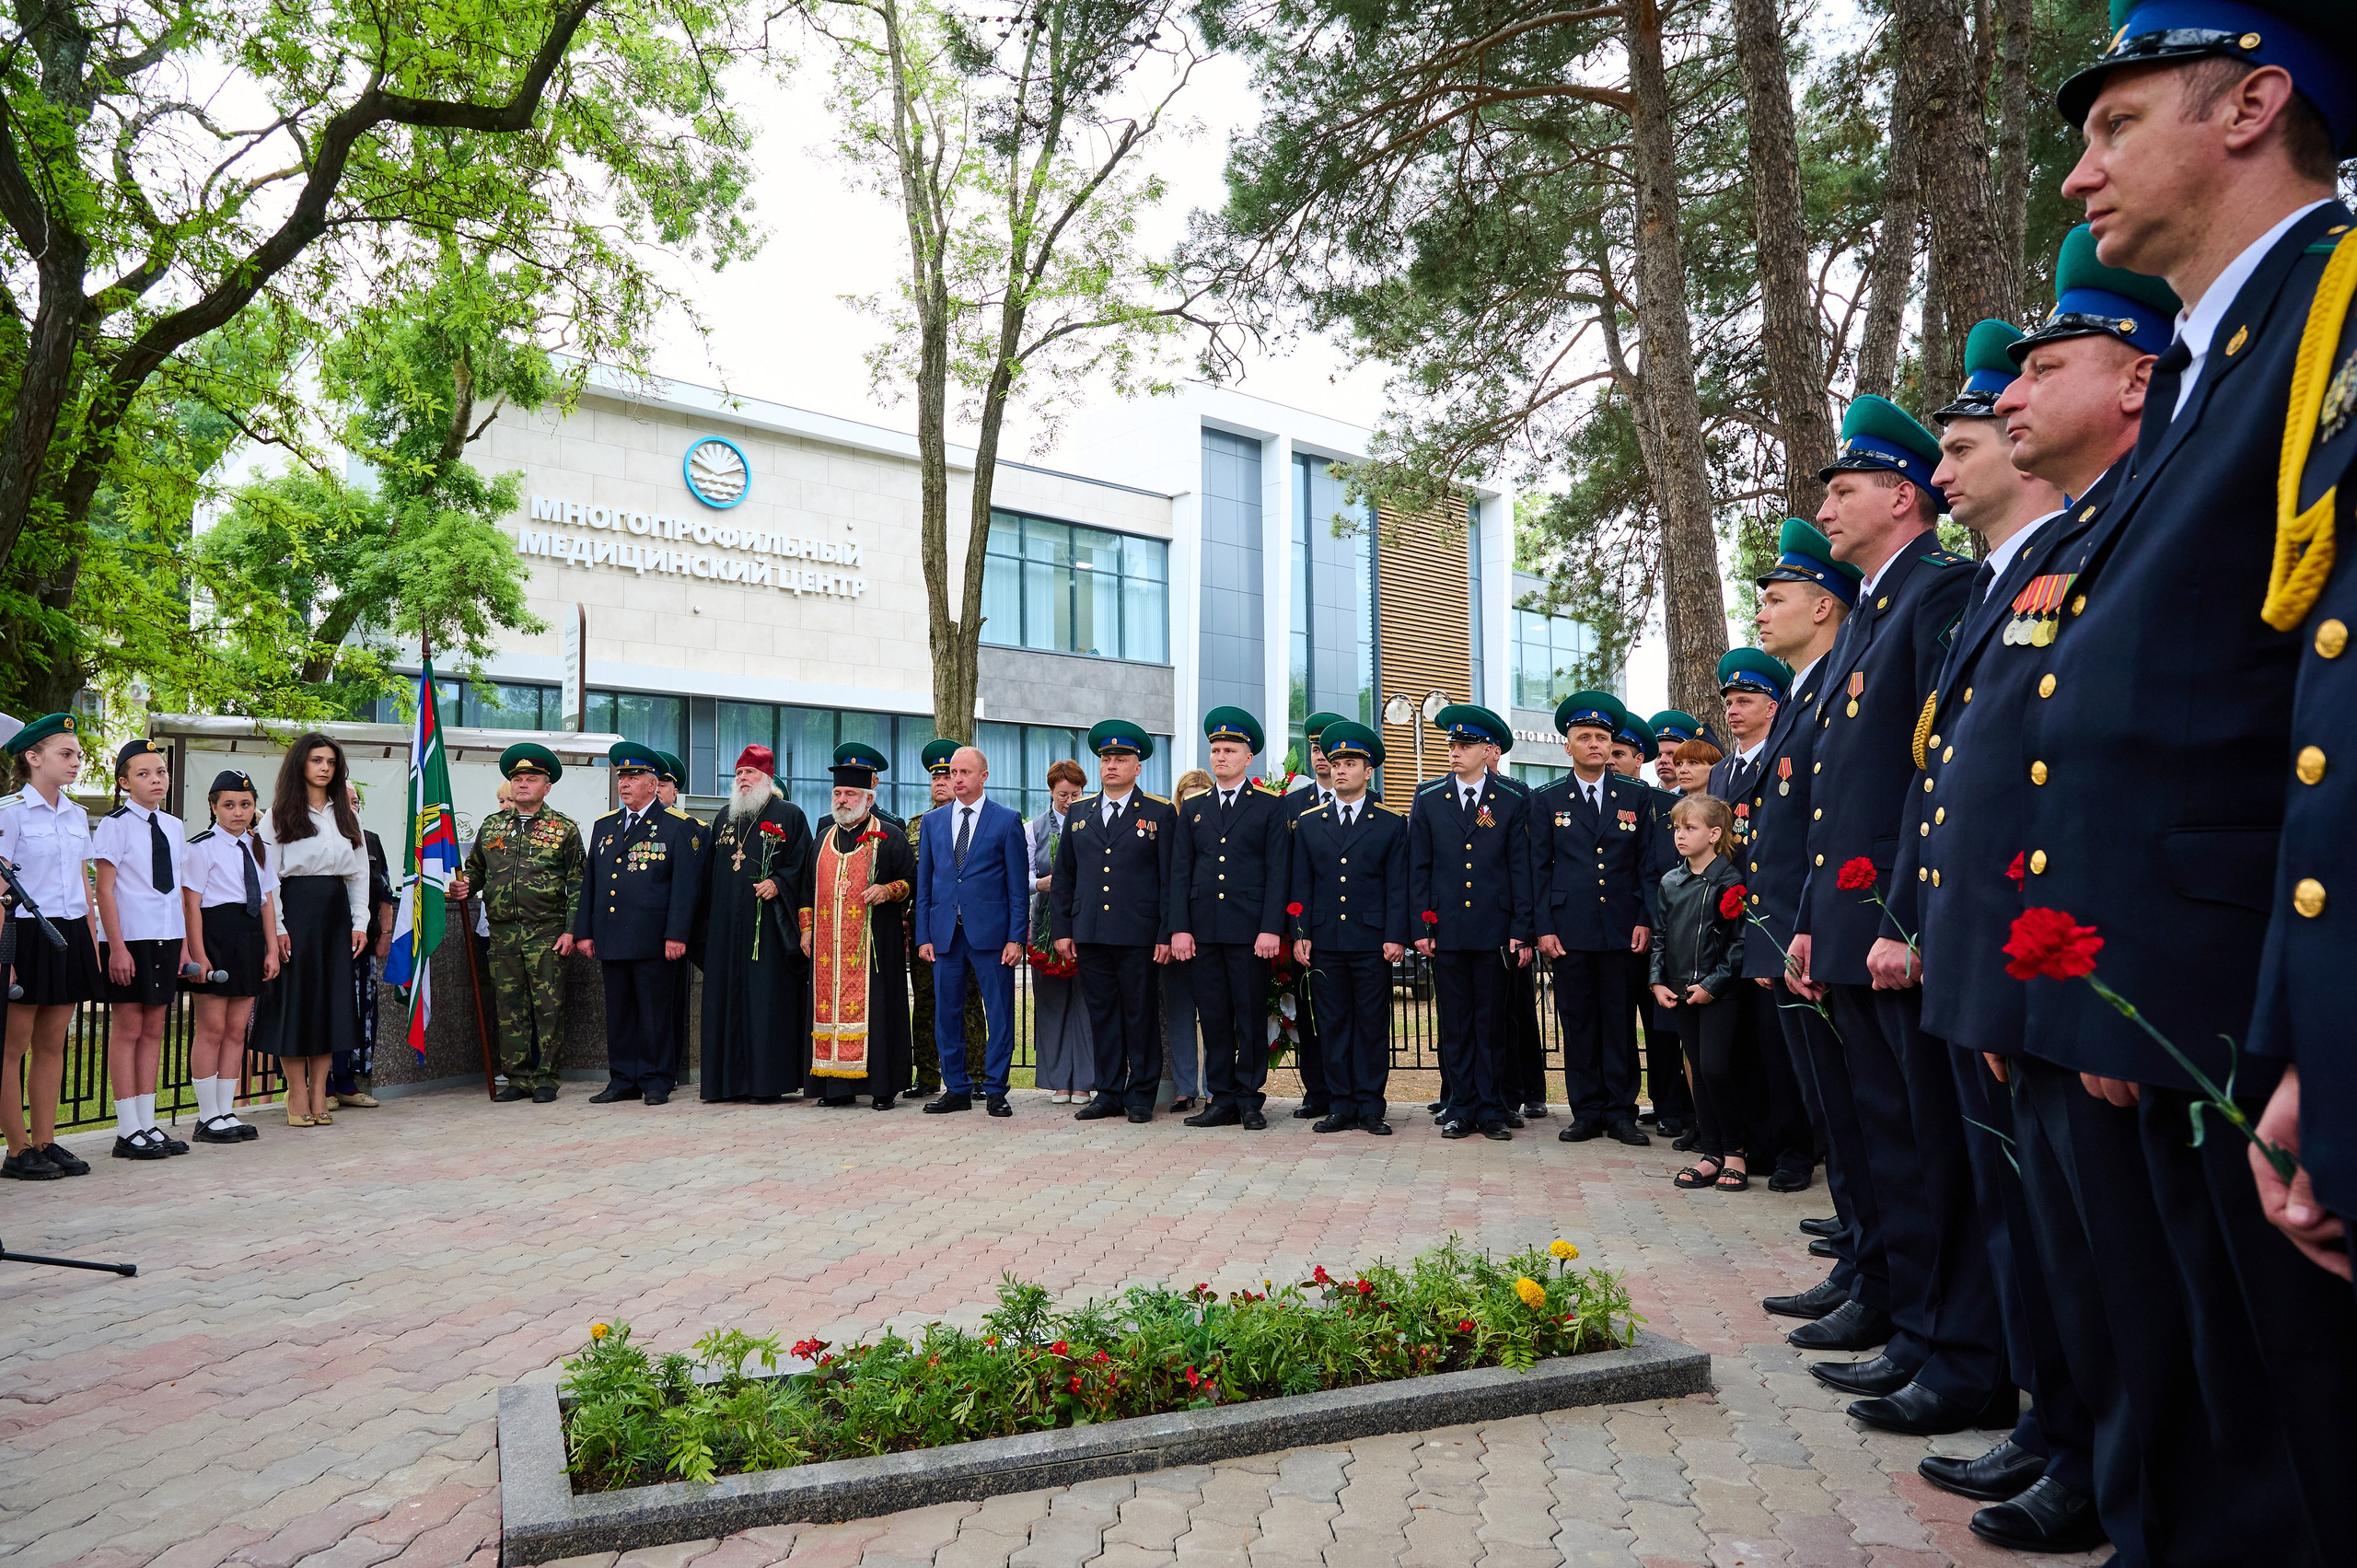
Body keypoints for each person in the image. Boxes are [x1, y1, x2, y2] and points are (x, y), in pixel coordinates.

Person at [2027, 11, 2357, 1560]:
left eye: (2116, 123)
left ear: (2254, 104)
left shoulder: (2331, 317)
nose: (2078, 172)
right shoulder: (2234, 349)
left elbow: (2329, 705)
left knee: (2292, 1457)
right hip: (2184, 999)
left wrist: (2325, 1039)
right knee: (2223, 1437)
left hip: (2252, 1007)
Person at [1876, 300, 2133, 1554]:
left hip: (2067, 963)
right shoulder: (2009, 577)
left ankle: (2094, 1450)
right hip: (2001, 959)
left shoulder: (2086, 545)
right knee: (2029, 1215)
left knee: (2085, 1237)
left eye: (1959, 446)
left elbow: (2078, 776)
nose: (1945, 467)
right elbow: (1958, 777)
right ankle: (2061, 1425)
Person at [1786, 394, 1999, 1438]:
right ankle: (1917, 1330)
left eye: (1842, 488)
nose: (1825, 506)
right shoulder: (1875, 608)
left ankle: (1950, 1345)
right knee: (1885, 1136)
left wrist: (1900, 917)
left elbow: (1930, 772)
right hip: (1850, 924)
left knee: (1926, 1147)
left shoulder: (1937, 591)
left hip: (1891, 927)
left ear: (1900, 494)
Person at [1743, 520, 1881, 1345]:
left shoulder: (1836, 683)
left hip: (1825, 936)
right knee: (1844, 1120)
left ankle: (1877, 1276)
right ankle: (1862, 1265)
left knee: (1862, 1123)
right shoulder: (1806, 693)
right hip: (1799, 937)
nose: (1762, 612)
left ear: (1823, 605)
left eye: (1776, 597)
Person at [1704, 650, 1815, 1195]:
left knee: (1782, 1050)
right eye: (1728, 701)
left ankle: (1797, 1152)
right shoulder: (1723, 770)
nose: (1733, 710)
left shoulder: (1792, 755)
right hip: (1729, 932)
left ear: (1774, 705)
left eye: (1744, 700)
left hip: (1773, 923)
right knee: (1740, 1048)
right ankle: (1756, 1145)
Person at [1530, 691, 1661, 1146]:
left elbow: (1647, 865)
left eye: (1601, 737)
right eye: (1583, 736)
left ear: (1611, 746)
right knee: (1580, 1021)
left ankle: (1622, 1112)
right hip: (1570, 928)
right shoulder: (1546, 799)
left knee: (1621, 1021)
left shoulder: (1637, 795)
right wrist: (1543, 926)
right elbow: (1538, 868)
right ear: (1567, 745)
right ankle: (1585, 1111)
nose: (1593, 744)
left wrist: (1646, 916)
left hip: (1624, 927)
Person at [1410, 703, 1533, 1141]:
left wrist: (1522, 930)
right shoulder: (1427, 798)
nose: (1456, 752)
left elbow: (1521, 868)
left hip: (1494, 929)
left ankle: (1492, 1108)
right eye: (1453, 745)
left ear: (1489, 750)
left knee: (1492, 1023)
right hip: (1447, 931)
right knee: (1455, 1023)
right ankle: (1460, 1106)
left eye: (1466, 745)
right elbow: (1419, 869)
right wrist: (1422, 930)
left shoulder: (1513, 799)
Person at [1286, 720, 1407, 1134]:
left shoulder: (1391, 822)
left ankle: (1371, 1105)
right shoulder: (1310, 821)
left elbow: (1398, 885)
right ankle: (1340, 1104)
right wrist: (1300, 934)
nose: (1339, 769)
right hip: (1325, 941)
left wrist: (1395, 935)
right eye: (1335, 762)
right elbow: (1300, 885)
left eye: (1350, 763)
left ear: (1368, 770)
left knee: (1372, 1024)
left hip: (1372, 940)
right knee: (1332, 1024)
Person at [1051, 720, 1175, 1123]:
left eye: (1121, 759)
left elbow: (1168, 878)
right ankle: (1107, 1092)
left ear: (1137, 767)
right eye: (1106, 759)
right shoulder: (1081, 812)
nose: (1111, 766)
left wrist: (1164, 932)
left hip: (1138, 932)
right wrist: (1063, 930)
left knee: (1139, 1013)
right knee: (1101, 1014)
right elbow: (1065, 876)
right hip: (1090, 930)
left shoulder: (1158, 812)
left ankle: (1140, 1094)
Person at [1171, 710, 1290, 1131]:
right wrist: (1180, 928)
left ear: (1248, 757)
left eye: (1229, 750)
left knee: (1251, 1015)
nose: (1220, 757)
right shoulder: (1195, 808)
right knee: (1215, 1016)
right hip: (1204, 931)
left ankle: (1250, 1098)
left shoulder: (1269, 808)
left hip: (1250, 931)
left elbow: (1279, 872)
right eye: (1215, 750)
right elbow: (1180, 872)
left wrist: (1271, 927)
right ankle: (1221, 1099)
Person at [448, 744, 584, 1105]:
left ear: (547, 786)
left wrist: (571, 931)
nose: (523, 785)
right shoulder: (493, 825)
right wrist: (465, 885)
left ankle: (545, 1079)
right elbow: (476, 870)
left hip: (547, 931)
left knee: (548, 1007)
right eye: (517, 779)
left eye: (531, 779)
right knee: (509, 1008)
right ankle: (518, 1076)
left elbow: (578, 884)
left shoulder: (564, 829)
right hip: (503, 932)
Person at [0, 714, 102, 1179]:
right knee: (11, 1046)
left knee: (53, 1043)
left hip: (69, 932)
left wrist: (91, 937)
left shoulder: (78, 815)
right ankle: (17, 1147)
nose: (76, 761)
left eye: (78, 754)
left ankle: (46, 1140)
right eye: (66, 753)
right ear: (33, 757)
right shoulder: (10, 813)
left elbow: (83, 881)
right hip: (22, 933)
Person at [252, 733, 371, 1129]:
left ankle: (322, 1093)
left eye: (331, 762)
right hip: (296, 911)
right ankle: (297, 1092)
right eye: (317, 760)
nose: (324, 768)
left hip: (335, 914)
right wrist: (280, 927)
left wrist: (360, 922)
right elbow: (267, 876)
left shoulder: (346, 813)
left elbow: (359, 874)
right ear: (300, 764)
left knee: (330, 1005)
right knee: (297, 1004)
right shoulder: (279, 813)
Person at [572, 741, 701, 1106]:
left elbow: (685, 888)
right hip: (612, 936)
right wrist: (585, 930)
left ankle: (657, 1079)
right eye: (621, 776)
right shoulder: (605, 825)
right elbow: (591, 883)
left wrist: (677, 934)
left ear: (652, 782)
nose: (624, 783)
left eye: (633, 776)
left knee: (655, 1012)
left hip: (654, 939)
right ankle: (623, 1079)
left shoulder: (678, 826)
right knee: (620, 1013)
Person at [687, 745, 813, 1103]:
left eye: (750, 773)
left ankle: (766, 1083)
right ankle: (724, 1084)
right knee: (725, 1002)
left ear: (766, 779)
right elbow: (710, 873)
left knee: (765, 1002)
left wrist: (779, 882)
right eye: (739, 773)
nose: (743, 779)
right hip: (726, 929)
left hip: (768, 930)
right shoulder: (724, 816)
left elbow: (803, 867)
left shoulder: (789, 814)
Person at [913, 743, 1029, 1117]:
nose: (956, 779)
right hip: (945, 934)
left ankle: (996, 1089)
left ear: (983, 776)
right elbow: (925, 885)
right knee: (946, 1014)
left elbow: (1016, 887)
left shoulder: (1007, 820)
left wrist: (1016, 937)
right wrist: (924, 936)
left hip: (991, 936)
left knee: (998, 1014)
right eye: (952, 773)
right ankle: (957, 1088)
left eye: (964, 772)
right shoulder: (933, 823)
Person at [92, 738, 192, 1160]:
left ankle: (147, 1123)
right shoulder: (115, 824)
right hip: (130, 938)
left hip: (166, 937)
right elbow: (106, 889)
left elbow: (180, 895)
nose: (156, 780)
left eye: (161, 772)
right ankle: (126, 1129)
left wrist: (184, 947)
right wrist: (116, 948)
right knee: (129, 1029)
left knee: (155, 1029)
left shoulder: (174, 825)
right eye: (144, 774)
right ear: (124, 782)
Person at [799, 744, 917, 1098]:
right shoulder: (821, 840)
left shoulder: (891, 835)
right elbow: (804, 891)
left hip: (874, 948)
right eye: (837, 793)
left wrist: (887, 890)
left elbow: (913, 882)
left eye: (851, 793)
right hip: (826, 955)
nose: (843, 800)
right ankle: (834, 1088)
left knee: (878, 1013)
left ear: (868, 798)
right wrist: (806, 930)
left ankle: (881, 1088)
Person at [1651, 793, 1749, 1191]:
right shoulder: (1670, 881)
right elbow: (1660, 936)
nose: (1680, 835)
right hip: (1678, 992)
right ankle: (1711, 1153)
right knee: (1698, 1073)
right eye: (1677, 827)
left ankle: (1736, 1151)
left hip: (1717, 992)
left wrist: (1712, 985)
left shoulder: (1729, 880)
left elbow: (1738, 943)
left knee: (1716, 1068)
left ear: (1714, 834)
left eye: (1690, 828)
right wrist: (1657, 980)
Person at [182, 769, 279, 1145]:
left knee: (238, 1028)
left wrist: (271, 948)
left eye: (245, 804)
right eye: (229, 805)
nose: (238, 812)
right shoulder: (201, 846)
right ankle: (206, 1115)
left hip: (250, 935)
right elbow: (191, 905)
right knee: (212, 1028)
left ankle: (226, 1109)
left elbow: (268, 900)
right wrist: (198, 953)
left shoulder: (258, 847)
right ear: (213, 806)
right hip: (216, 934)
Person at [1611, 714, 1689, 1139]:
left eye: (1620, 754)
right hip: (1628, 932)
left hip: (1665, 933)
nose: (1610, 761)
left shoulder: (1659, 806)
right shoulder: (1641, 804)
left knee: (1665, 1026)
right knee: (1636, 1022)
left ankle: (1673, 1105)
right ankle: (1653, 1102)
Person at [1276, 712, 1348, 1119]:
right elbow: (1286, 871)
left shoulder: (1367, 804)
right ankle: (1315, 1091)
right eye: (1317, 749)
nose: (1322, 757)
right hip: (1303, 929)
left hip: (1346, 927)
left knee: (1344, 1014)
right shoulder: (1290, 805)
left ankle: (1349, 1093)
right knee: (1309, 1012)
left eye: (1330, 750)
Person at [1027, 760, 1094, 1104]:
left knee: (1085, 1002)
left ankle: (1084, 1080)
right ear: (1051, 792)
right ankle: (1058, 1081)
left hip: (1086, 922)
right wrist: (1042, 883)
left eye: (1076, 794)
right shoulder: (1033, 828)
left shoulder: (1094, 822)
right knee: (1052, 1002)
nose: (1069, 800)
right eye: (1063, 794)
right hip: (1045, 924)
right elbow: (1020, 876)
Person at [331, 783, 392, 1110]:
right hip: (324, 943)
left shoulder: (370, 840)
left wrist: (385, 933)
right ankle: (321, 1084)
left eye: (356, 802)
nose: (352, 807)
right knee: (326, 1011)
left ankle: (348, 1082)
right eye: (346, 801)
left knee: (359, 1013)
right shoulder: (316, 837)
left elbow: (384, 891)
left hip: (362, 943)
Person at [1162, 766, 1216, 1111]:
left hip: (1212, 932)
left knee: (1214, 1013)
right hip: (1176, 933)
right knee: (1179, 1013)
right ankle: (1184, 1087)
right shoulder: (1169, 830)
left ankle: (1215, 1086)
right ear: (1179, 801)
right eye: (1187, 799)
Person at [1647, 712, 1705, 792]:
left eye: (1671, 754)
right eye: (1659, 755)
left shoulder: (1699, 800)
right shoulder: (1645, 798)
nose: (1662, 760)